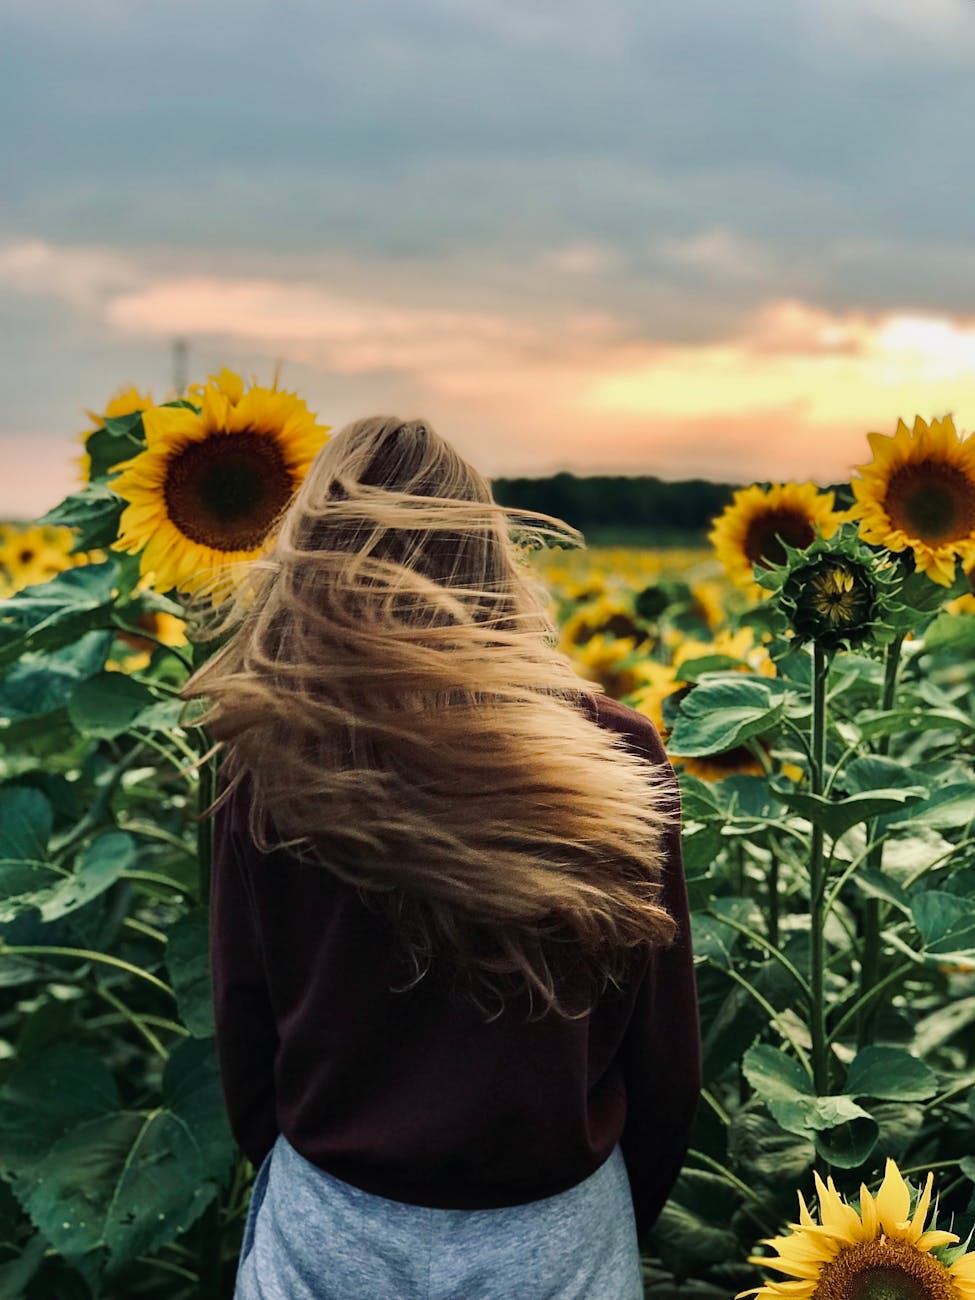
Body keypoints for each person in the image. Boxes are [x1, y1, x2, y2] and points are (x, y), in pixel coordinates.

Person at [182, 416, 702, 1300]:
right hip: (552, 1228)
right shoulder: (610, 748)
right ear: (484, 554)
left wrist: (307, 1167)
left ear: (308, 553)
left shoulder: (264, 755)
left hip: (333, 1221)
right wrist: (605, 1219)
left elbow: (244, 1012)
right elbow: (661, 1050)